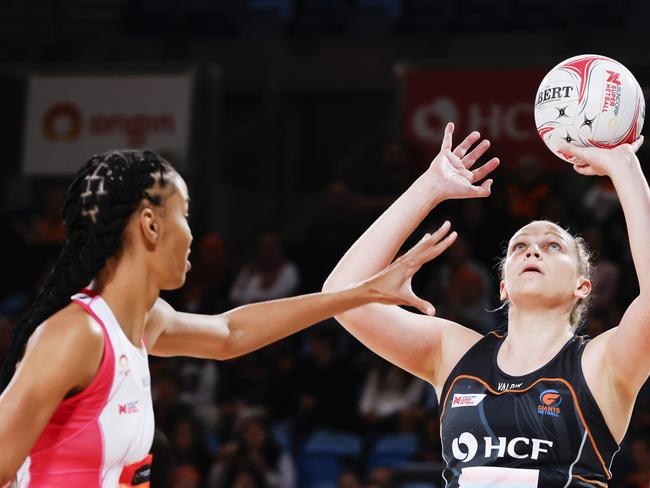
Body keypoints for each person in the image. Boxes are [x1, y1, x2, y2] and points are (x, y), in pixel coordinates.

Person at [0, 149, 453, 487]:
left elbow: (230, 333)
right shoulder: (75, 334)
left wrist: (359, 294)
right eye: (186, 215)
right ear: (150, 225)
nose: (194, 234)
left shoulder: (143, 320)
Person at [323, 122, 649, 486]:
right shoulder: (454, 352)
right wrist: (428, 189)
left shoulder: (600, 362)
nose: (533, 249)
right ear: (503, 286)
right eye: (519, 247)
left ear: (582, 285)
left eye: (553, 245)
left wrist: (624, 167)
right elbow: (341, 296)